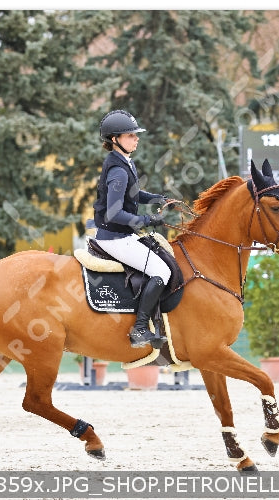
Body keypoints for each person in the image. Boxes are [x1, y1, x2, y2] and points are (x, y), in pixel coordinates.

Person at [92, 109, 172, 348]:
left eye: (136, 134)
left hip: (121, 235)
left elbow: (134, 193)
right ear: (114, 139)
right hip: (114, 238)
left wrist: (157, 198)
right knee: (162, 271)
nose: (136, 138)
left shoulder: (124, 162)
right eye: (130, 135)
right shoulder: (118, 171)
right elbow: (113, 213)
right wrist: (147, 220)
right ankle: (139, 329)